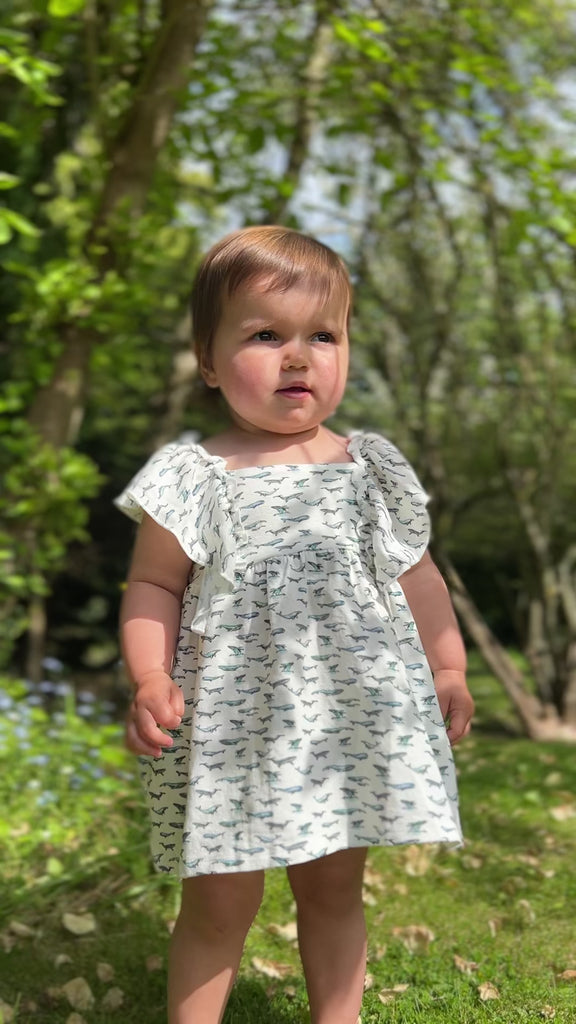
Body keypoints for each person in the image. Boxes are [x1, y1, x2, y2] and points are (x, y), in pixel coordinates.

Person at [115, 225, 474, 1024]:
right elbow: (152, 584)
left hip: (342, 730)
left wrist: (447, 666)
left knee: (337, 889)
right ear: (208, 359)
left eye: (323, 334)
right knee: (218, 902)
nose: (299, 356)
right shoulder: (193, 477)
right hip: (232, 732)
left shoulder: (369, 469)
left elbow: (418, 573)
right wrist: (149, 676)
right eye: (265, 335)